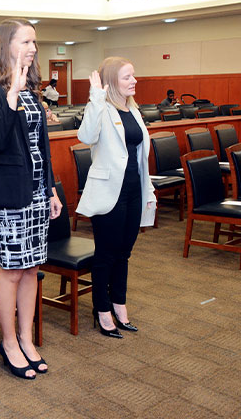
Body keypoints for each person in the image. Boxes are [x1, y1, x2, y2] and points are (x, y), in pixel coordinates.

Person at [0, 18, 62, 379]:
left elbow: (41, 145)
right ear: (6, 45)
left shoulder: (33, 88)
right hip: (9, 195)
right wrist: (12, 91)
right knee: (11, 270)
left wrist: (52, 188)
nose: (32, 48)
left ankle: (27, 338)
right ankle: (9, 341)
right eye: (26, 41)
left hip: (38, 193)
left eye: (35, 43)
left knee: (32, 269)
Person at [76, 56, 156, 338]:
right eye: (127, 77)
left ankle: (119, 305)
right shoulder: (101, 108)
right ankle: (102, 310)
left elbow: (138, 156)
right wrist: (96, 97)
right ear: (111, 82)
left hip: (134, 189)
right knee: (106, 255)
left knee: (124, 253)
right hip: (109, 192)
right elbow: (86, 136)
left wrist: (148, 191)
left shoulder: (132, 110)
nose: (134, 81)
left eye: (134, 76)